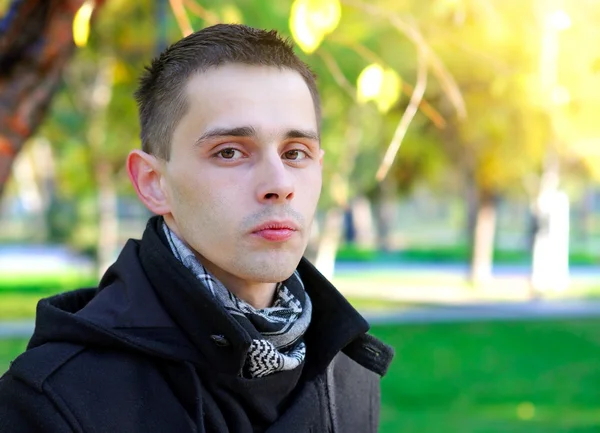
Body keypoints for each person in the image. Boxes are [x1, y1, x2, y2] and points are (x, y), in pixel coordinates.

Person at [0, 24, 393, 433]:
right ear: (154, 182)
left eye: (296, 153)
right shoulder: (55, 401)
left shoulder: (348, 372)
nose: (279, 185)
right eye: (229, 152)